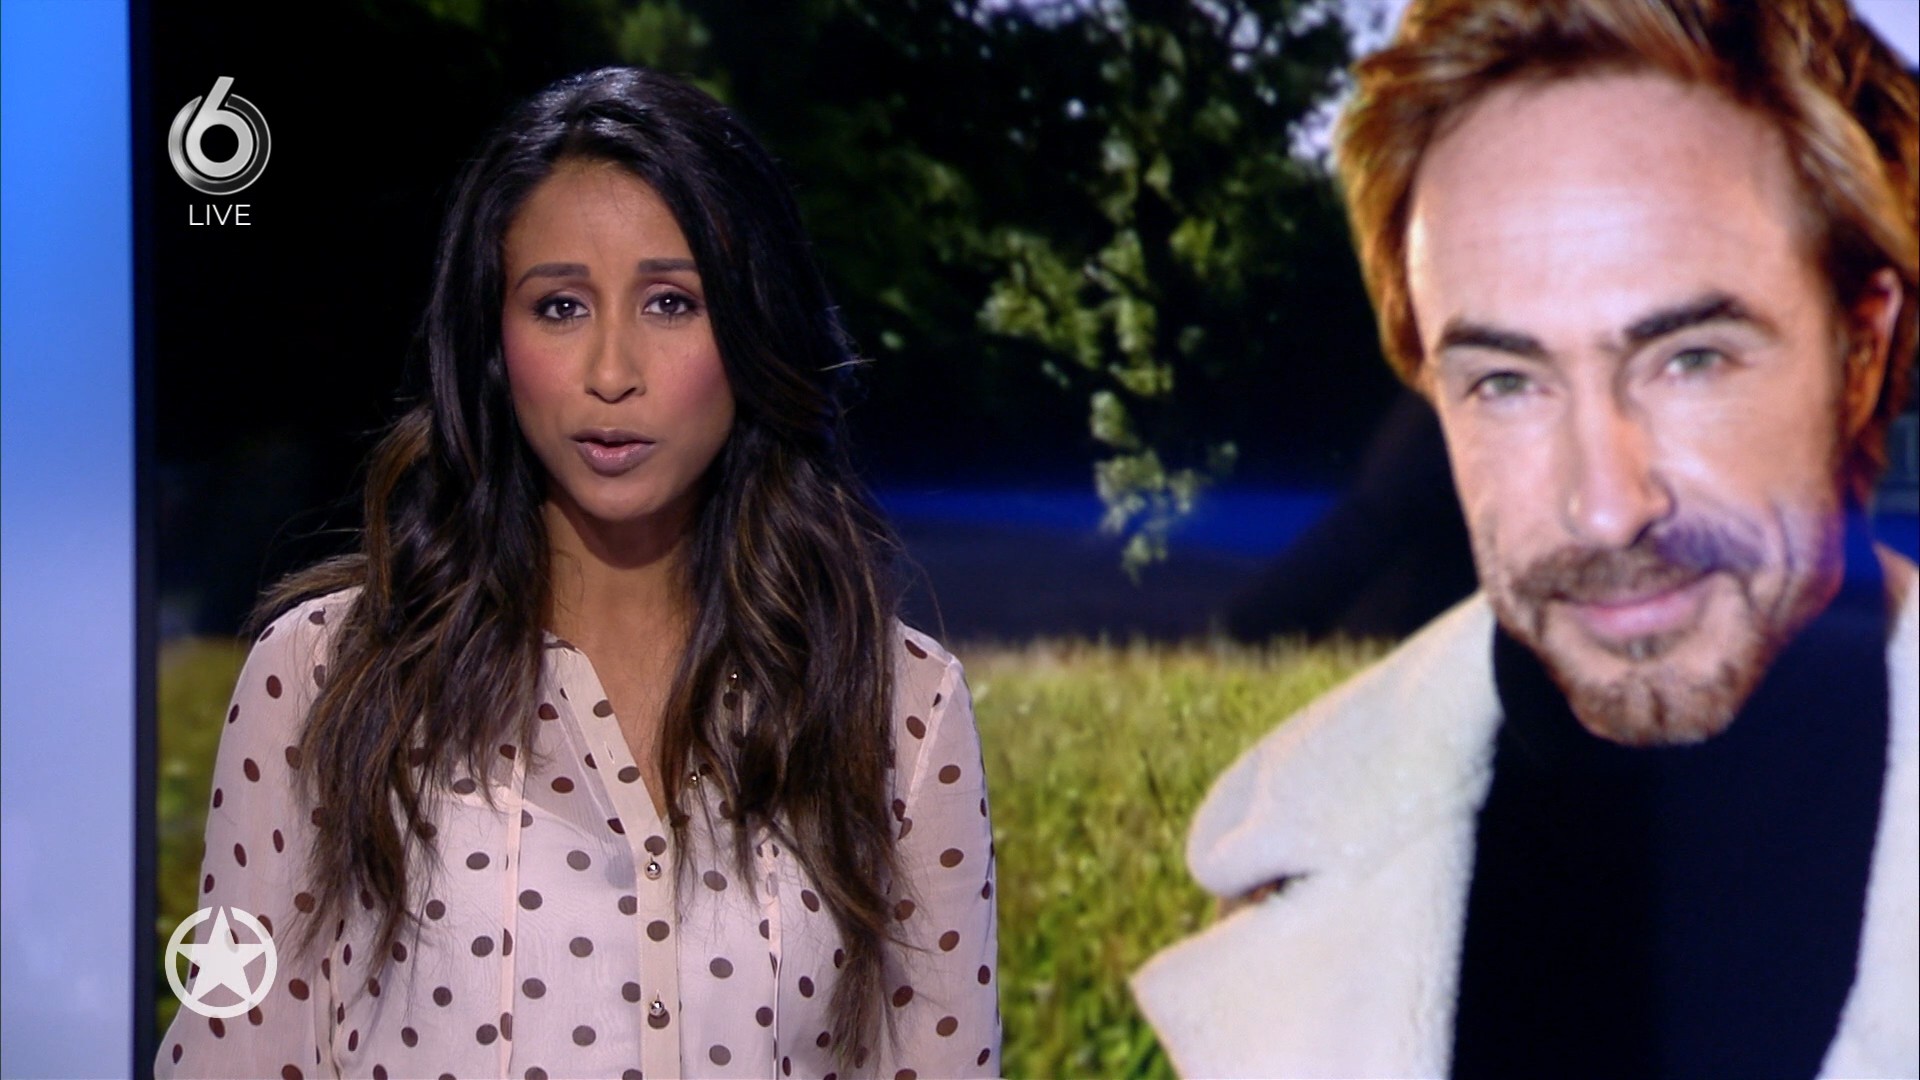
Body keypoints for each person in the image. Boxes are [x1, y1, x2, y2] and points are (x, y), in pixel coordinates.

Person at [156, 67, 1000, 1080]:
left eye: (671, 303)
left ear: (753, 327)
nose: (610, 373)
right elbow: (234, 1053)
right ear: (493, 340)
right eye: (559, 306)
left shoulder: (896, 710)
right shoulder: (321, 678)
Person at [1132, 0, 1918, 1076]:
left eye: (1691, 358)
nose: (1605, 507)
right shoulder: (1291, 868)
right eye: (1506, 380)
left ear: (1862, 349)